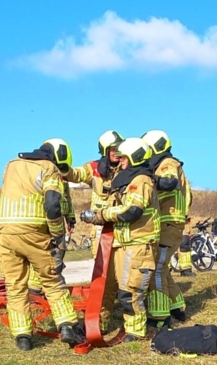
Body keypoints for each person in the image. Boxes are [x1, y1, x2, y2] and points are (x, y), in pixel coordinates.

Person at [0, 139, 80, 351]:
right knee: (51, 281)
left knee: (15, 287)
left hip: (5, 232)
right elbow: (52, 204)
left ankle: (23, 337)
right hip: (34, 231)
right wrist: (57, 233)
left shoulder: (11, 164)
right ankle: (67, 326)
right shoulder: (48, 168)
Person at [81, 137, 159, 341]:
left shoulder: (141, 180)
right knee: (106, 288)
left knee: (130, 291)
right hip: (122, 244)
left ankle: (135, 330)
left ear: (135, 158)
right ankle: (98, 324)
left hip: (138, 245)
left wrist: (102, 214)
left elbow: (132, 210)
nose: (121, 162)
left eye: (124, 158)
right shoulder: (128, 179)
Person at [141, 130, 191, 324]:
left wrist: (148, 180)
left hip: (168, 224)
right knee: (164, 269)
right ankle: (176, 306)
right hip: (169, 224)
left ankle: (160, 315)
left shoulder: (167, 163)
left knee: (157, 269)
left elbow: (169, 182)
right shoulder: (165, 164)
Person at [66, 130, 124, 259]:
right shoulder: (94, 168)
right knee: (101, 268)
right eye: (113, 149)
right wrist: (60, 168)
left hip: (121, 224)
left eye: (119, 148)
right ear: (105, 150)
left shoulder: (128, 169)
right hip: (100, 226)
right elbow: (76, 174)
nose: (116, 153)